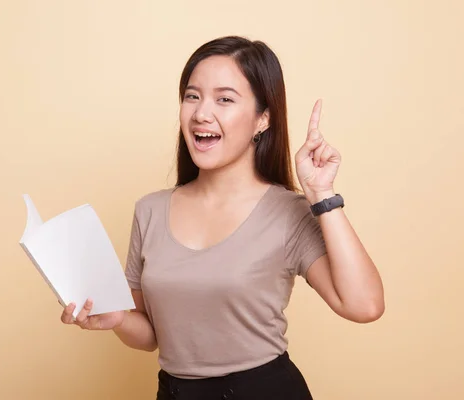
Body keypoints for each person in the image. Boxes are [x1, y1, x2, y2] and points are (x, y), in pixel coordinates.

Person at [60, 35, 385, 399]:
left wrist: (322, 195)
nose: (201, 113)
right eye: (192, 96)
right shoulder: (149, 210)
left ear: (263, 119)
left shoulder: (287, 212)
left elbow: (364, 306)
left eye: (225, 99)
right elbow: (152, 336)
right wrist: (116, 318)